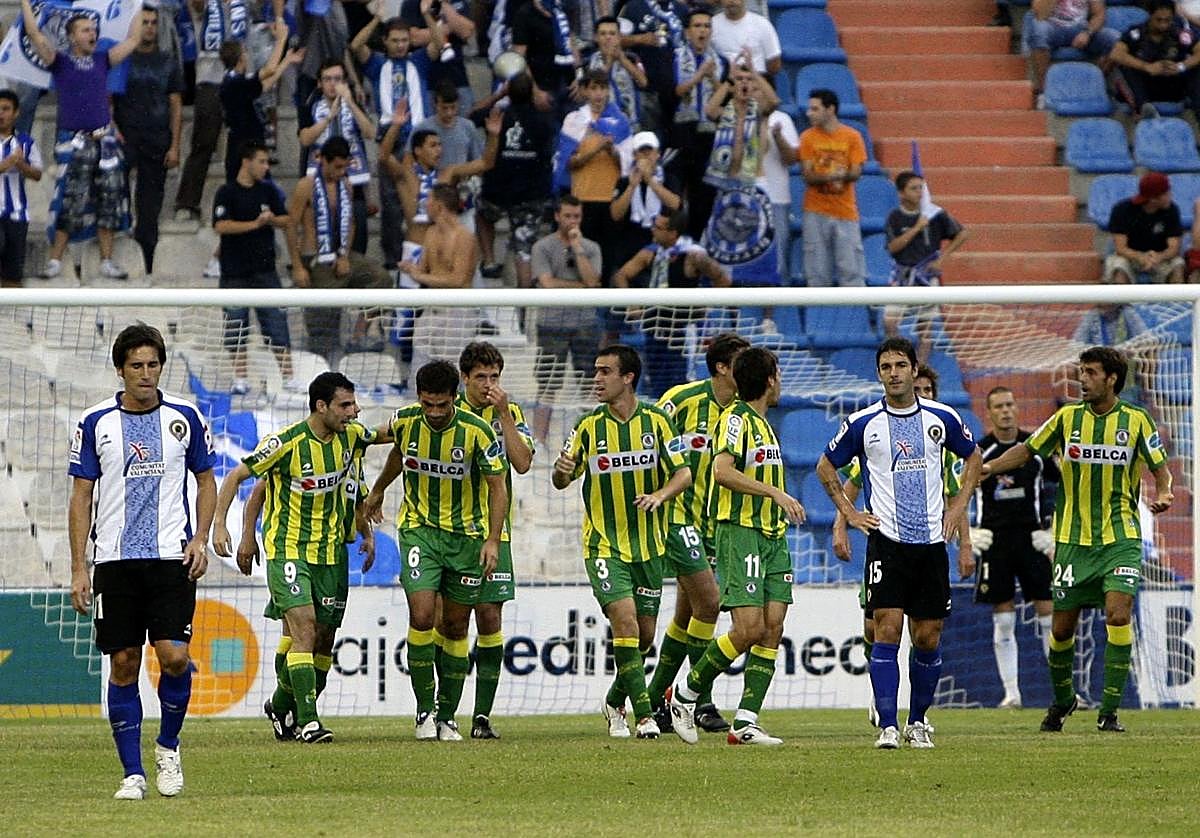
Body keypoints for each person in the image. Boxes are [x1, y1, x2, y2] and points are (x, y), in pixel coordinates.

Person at [982, 347, 1173, 733]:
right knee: (1061, 630)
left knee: (1118, 614)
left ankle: (1109, 711)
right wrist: (987, 466)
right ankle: (1063, 700)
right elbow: (1026, 450)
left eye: (1090, 372)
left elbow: (1160, 469)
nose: (1081, 379)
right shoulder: (1066, 418)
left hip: (1120, 537)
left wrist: (1165, 491)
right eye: (1080, 371)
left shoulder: (1137, 420)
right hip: (1071, 540)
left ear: (1111, 379)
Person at [67, 324, 217, 799]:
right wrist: (79, 567)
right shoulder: (95, 422)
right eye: (137, 366)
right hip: (114, 561)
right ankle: (132, 773)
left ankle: (168, 747)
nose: (146, 373)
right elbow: (81, 496)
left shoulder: (185, 416)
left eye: (153, 364)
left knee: (174, 657)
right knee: (124, 662)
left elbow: (207, 480)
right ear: (120, 370)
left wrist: (200, 539)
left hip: (172, 557)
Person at [817, 337, 981, 749]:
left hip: (931, 544)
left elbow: (974, 457)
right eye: (886, 367)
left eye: (900, 365)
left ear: (914, 369)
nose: (893, 373)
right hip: (887, 543)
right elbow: (825, 467)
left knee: (927, 636)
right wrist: (849, 515)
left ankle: (918, 721)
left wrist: (959, 507)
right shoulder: (863, 423)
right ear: (879, 374)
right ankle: (888, 726)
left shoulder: (941, 417)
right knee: (886, 629)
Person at [212, 372, 382, 744]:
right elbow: (242, 480)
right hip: (288, 549)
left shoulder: (351, 439)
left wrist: (366, 532)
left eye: (354, 404)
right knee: (304, 628)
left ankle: (280, 705)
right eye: (345, 405)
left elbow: (380, 448)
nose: (354, 411)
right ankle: (308, 722)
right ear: (321, 406)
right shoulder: (285, 444)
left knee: (322, 639)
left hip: (332, 553)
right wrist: (228, 529)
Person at [362, 360, 509, 741]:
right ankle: (424, 712)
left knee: (457, 625)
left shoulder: (477, 431)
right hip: (420, 532)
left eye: (442, 405)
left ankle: (447, 716)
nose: (435, 412)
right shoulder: (406, 420)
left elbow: (498, 487)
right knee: (423, 614)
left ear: (454, 398)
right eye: (428, 404)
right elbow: (398, 452)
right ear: (419, 397)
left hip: (466, 538)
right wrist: (377, 489)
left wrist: (493, 540)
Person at [553, 344, 692, 740]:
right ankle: (645, 717)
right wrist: (562, 471)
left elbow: (683, 474)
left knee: (643, 637)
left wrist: (660, 495)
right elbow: (561, 480)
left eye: (605, 372)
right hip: (603, 544)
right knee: (625, 621)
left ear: (628, 377)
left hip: (649, 546)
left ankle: (614, 700)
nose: (596, 379)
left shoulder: (658, 422)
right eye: (595, 371)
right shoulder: (587, 426)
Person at [668, 347, 804, 746]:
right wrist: (775, 493)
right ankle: (685, 695)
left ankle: (746, 721)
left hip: (772, 535)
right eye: (778, 374)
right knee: (747, 629)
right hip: (740, 532)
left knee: (772, 627)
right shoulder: (735, 419)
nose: (780, 382)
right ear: (770, 379)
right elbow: (722, 471)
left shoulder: (764, 425)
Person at [646, 333, 749, 734]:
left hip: (715, 525)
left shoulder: (743, 412)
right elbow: (647, 440)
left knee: (687, 615)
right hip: (677, 518)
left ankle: (655, 701)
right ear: (722, 367)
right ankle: (699, 701)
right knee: (709, 603)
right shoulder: (681, 400)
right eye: (740, 362)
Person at [21, 0, 143, 281]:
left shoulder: (103, 60)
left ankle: (106, 260)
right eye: (86, 30)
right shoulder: (60, 62)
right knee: (70, 198)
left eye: (94, 30)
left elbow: (133, 39)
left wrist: (137, 4)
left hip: (104, 140)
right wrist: (26, 1)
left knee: (110, 198)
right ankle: (55, 260)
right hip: (74, 140)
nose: (93, 34)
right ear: (72, 36)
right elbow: (34, 34)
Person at [454, 341, 535, 738]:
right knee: (448, 621)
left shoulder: (511, 413)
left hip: (494, 532)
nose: (489, 384)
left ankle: (481, 717)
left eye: (495, 377)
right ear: (464, 378)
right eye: (481, 377)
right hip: (452, 532)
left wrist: (503, 414)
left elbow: (522, 462)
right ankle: (440, 711)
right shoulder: (447, 411)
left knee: (489, 618)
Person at [972, 386, 1060, 709]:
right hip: (994, 540)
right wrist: (968, 533)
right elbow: (956, 490)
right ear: (989, 413)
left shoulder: (1035, 449)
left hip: (1032, 539)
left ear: (1017, 408)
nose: (1006, 411)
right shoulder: (979, 451)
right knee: (1004, 617)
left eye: (1010, 404)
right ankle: (1012, 693)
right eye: (998, 406)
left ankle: (1063, 691)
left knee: (1049, 612)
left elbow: (1065, 486)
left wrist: (1052, 530)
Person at [285, 136, 391, 366]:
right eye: (337, 167)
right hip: (315, 257)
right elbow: (290, 225)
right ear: (323, 160)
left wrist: (344, 255)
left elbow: (350, 223)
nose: (341, 172)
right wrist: (297, 266)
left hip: (341, 255)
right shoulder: (306, 186)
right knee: (324, 323)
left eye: (344, 167)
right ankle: (322, 363)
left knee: (381, 278)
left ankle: (359, 334)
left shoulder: (346, 185)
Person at [612, 207, 731, 397]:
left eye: (658, 227)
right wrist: (632, 301)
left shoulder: (693, 256)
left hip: (680, 333)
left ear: (673, 233)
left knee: (681, 386)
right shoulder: (650, 253)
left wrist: (708, 305)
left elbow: (722, 279)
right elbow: (621, 275)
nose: (653, 230)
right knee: (656, 386)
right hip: (654, 329)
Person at [212, 139, 297, 395]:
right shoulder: (226, 192)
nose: (265, 167)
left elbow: (287, 219)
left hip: (266, 271)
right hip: (234, 273)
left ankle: (289, 378)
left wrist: (272, 219)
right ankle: (240, 379)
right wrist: (255, 224)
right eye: (261, 161)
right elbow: (221, 225)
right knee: (236, 325)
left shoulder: (269, 191)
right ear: (246, 162)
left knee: (277, 323)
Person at [113, 5, 183, 279]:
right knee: (116, 196)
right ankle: (116, 255)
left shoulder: (167, 61)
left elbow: (175, 104)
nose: (150, 27)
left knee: (150, 203)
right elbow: (108, 100)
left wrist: (175, 145)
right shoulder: (122, 58)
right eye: (145, 22)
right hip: (126, 137)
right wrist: (113, 132)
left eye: (154, 22)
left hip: (157, 138)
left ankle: (148, 262)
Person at [530, 195, 603, 445]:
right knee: (547, 383)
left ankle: (593, 439)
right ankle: (538, 441)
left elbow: (592, 281)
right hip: (551, 324)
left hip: (585, 324)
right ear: (557, 216)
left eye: (577, 216)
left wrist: (577, 248)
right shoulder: (542, 247)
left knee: (591, 383)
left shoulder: (591, 248)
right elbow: (547, 283)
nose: (572, 221)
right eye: (568, 216)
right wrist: (580, 286)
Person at [476, 72, 557, 284]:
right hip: (531, 194)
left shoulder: (496, 115)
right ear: (531, 93)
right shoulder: (544, 120)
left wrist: (497, 95)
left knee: (482, 213)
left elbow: (472, 114)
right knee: (524, 250)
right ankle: (524, 299)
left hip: (497, 190)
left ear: (508, 93)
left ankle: (489, 260)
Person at [882, 170, 969, 361]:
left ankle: (919, 367)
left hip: (926, 277)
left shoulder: (935, 214)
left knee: (925, 328)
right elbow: (893, 247)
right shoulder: (895, 217)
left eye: (921, 187)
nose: (919, 192)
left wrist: (941, 259)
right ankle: (901, 359)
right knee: (889, 322)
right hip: (902, 276)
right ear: (901, 193)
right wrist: (916, 228)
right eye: (913, 188)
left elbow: (962, 234)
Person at [557, 68, 633, 286]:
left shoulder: (620, 121)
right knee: (580, 256)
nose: (598, 94)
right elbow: (568, 162)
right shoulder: (574, 121)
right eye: (593, 88)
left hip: (610, 199)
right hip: (582, 199)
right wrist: (596, 148)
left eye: (602, 88)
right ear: (584, 91)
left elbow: (627, 163)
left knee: (607, 257)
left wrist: (611, 150)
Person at [174, 0, 247, 222]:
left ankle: (242, 202)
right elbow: (195, 6)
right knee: (203, 142)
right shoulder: (206, 4)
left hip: (242, 76)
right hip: (209, 78)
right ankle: (187, 203)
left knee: (243, 144)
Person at [298, 58, 377, 253]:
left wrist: (350, 103)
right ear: (319, 83)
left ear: (345, 82)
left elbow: (370, 133)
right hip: (321, 170)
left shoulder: (354, 101)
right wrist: (328, 117)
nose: (333, 84)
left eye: (338, 79)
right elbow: (305, 139)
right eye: (328, 79)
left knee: (357, 223)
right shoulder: (310, 104)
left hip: (352, 171)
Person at [800, 88, 867, 287]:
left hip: (845, 211)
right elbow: (808, 175)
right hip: (815, 211)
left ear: (830, 109)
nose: (809, 113)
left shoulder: (852, 137)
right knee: (816, 272)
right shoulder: (807, 137)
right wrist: (832, 175)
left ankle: (855, 307)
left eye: (815, 109)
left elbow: (856, 172)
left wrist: (840, 175)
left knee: (851, 271)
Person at [671, 7, 728, 240]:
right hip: (680, 133)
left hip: (709, 134)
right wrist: (698, 75)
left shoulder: (721, 62)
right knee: (675, 192)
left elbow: (726, 97)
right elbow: (675, 91)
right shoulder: (675, 56)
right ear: (687, 32)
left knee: (703, 194)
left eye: (707, 26)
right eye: (697, 26)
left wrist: (712, 77)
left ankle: (697, 242)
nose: (702, 31)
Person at [220, 18, 297, 186]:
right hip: (243, 150)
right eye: (245, 52)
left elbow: (265, 85)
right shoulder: (234, 82)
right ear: (241, 58)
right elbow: (269, 70)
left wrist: (286, 61)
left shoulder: (236, 81)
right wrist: (281, 39)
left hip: (251, 148)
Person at [1110, 0, 1200, 119]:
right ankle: (1144, 109)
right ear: (1150, 15)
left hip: (1172, 82)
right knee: (1125, 65)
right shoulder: (1136, 33)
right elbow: (1115, 53)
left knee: (1196, 68)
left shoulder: (1180, 34)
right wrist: (1146, 67)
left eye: (1167, 20)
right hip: (1146, 84)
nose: (1163, 25)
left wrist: (1181, 66)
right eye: (1159, 20)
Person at [1025, 0, 1119, 110]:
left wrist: (1087, 33)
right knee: (1038, 30)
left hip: (1081, 29)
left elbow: (1099, 14)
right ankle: (1044, 92)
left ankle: (1093, 84)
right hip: (1052, 27)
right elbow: (1041, 16)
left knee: (1115, 39)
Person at [609, 131, 682, 271]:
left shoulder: (669, 178)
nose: (646, 155)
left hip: (659, 242)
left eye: (649, 151)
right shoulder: (624, 181)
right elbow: (616, 214)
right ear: (634, 155)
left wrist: (650, 180)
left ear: (658, 154)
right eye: (641, 152)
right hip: (629, 242)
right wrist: (632, 186)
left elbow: (676, 205)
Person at [618, 0, 690, 132]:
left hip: (678, 89)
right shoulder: (633, 7)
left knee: (677, 138)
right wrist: (639, 39)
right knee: (650, 137)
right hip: (646, 89)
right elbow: (616, 39)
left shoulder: (682, 9)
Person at [1104, 172, 1184, 284]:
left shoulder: (1172, 210)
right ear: (1153, 199)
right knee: (1118, 265)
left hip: (1160, 256)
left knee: (1178, 264)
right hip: (1130, 256)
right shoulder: (1122, 210)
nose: (1170, 195)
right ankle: (1121, 295)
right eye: (1166, 193)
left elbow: (1174, 248)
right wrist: (1140, 257)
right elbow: (1120, 248)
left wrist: (1159, 257)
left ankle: (1175, 294)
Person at [0, 89, 42, 288]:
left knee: (13, 272)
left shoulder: (26, 142)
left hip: (17, 214)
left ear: (16, 113)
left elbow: (37, 174)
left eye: (5, 109)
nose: (1, 114)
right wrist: (7, 163)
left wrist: (21, 164)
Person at [587, 16, 648, 132]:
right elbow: (593, 86)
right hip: (603, 126)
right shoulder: (590, 61)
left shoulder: (632, 58)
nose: (608, 37)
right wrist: (609, 61)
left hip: (631, 123)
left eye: (612, 33)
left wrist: (623, 60)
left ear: (619, 37)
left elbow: (643, 82)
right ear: (596, 37)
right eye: (603, 34)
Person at [710, 0, 781, 76]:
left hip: (757, 77)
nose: (731, 1)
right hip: (724, 78)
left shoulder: (762, 24)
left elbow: (774, 62)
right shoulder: (711, 24)